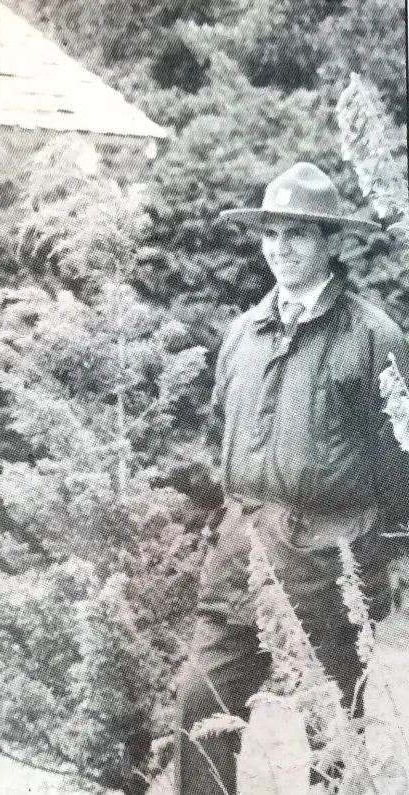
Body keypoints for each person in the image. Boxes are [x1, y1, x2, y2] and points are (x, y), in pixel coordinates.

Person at [175, 162, 409, 794]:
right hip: (241, 557)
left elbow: (401, 461)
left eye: (298, 234)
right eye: (271, 234)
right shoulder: (242, 332)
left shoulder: (372, 336)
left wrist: (380, 560)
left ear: (333, 243)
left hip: (330, 566)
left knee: (332, 734)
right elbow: (217, 427)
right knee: (201, 704)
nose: (280, 250)